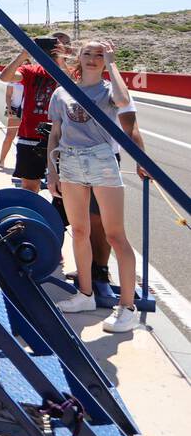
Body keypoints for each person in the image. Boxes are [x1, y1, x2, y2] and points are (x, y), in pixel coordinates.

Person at [47, 41, 147, 332]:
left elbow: (124, 102)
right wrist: (51, 170)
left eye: (99, 55)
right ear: (78, 57)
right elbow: (56, 132)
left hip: (102, 159)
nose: (93, 59)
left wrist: (113, 64)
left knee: (115, 235)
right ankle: (85, 294)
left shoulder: (107, 91)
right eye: (88, 54)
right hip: (70, 160)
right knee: (79, 231)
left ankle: (127, 306)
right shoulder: (62, 91)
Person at [0, 34, 72, 193]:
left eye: (59, 45)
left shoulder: (70, 73)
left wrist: (60, 59)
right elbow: (5, 77)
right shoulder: (31, 70)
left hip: (63, 138)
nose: (52, 49)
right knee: (30, 188)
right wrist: (24, 54)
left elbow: (74, 86)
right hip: (30, 137)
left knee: (64, 190)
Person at [0, 78, 24, 168]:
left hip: (28, 110)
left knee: (25, 138)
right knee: (9, 136)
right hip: (15, 109)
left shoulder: (31, 79)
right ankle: (1, 160)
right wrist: (9, 108)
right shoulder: (13, 80)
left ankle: (21, 164)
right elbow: (8, 95)